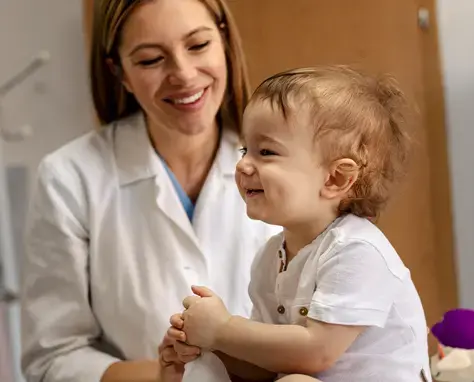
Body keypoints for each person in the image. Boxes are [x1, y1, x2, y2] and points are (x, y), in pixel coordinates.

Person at [19, 0, 279, 381]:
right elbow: (52, 359)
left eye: (197, 45)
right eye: (150, 60)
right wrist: (162, 375)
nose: (184, 74)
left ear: (223, 40)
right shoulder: (70, 178)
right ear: (119, 72)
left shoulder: (288, 166)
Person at [164, 66, 432, 382]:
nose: (243, 164)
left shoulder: (358, 251)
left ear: (335, 178)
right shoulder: (269, 259)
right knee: (207, 367)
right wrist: (206, 345)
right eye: (244, 149)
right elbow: (267, 366)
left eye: (266, 152)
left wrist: (223, 329)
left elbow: (316, 353)